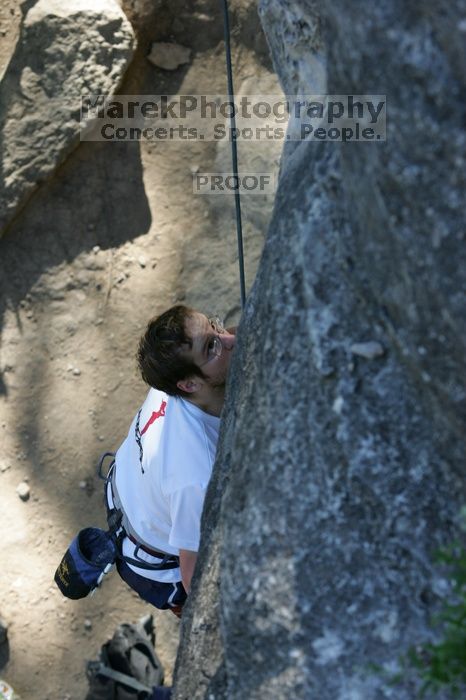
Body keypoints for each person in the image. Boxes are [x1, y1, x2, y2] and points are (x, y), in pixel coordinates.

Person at [105, 305, 236, 616]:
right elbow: (195, 581)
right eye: (212, 346)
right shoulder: (195, 475)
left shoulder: (171, 377)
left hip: (131, 490)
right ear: (189, 385)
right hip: (156, 563)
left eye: (214, 326)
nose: (228, 339)